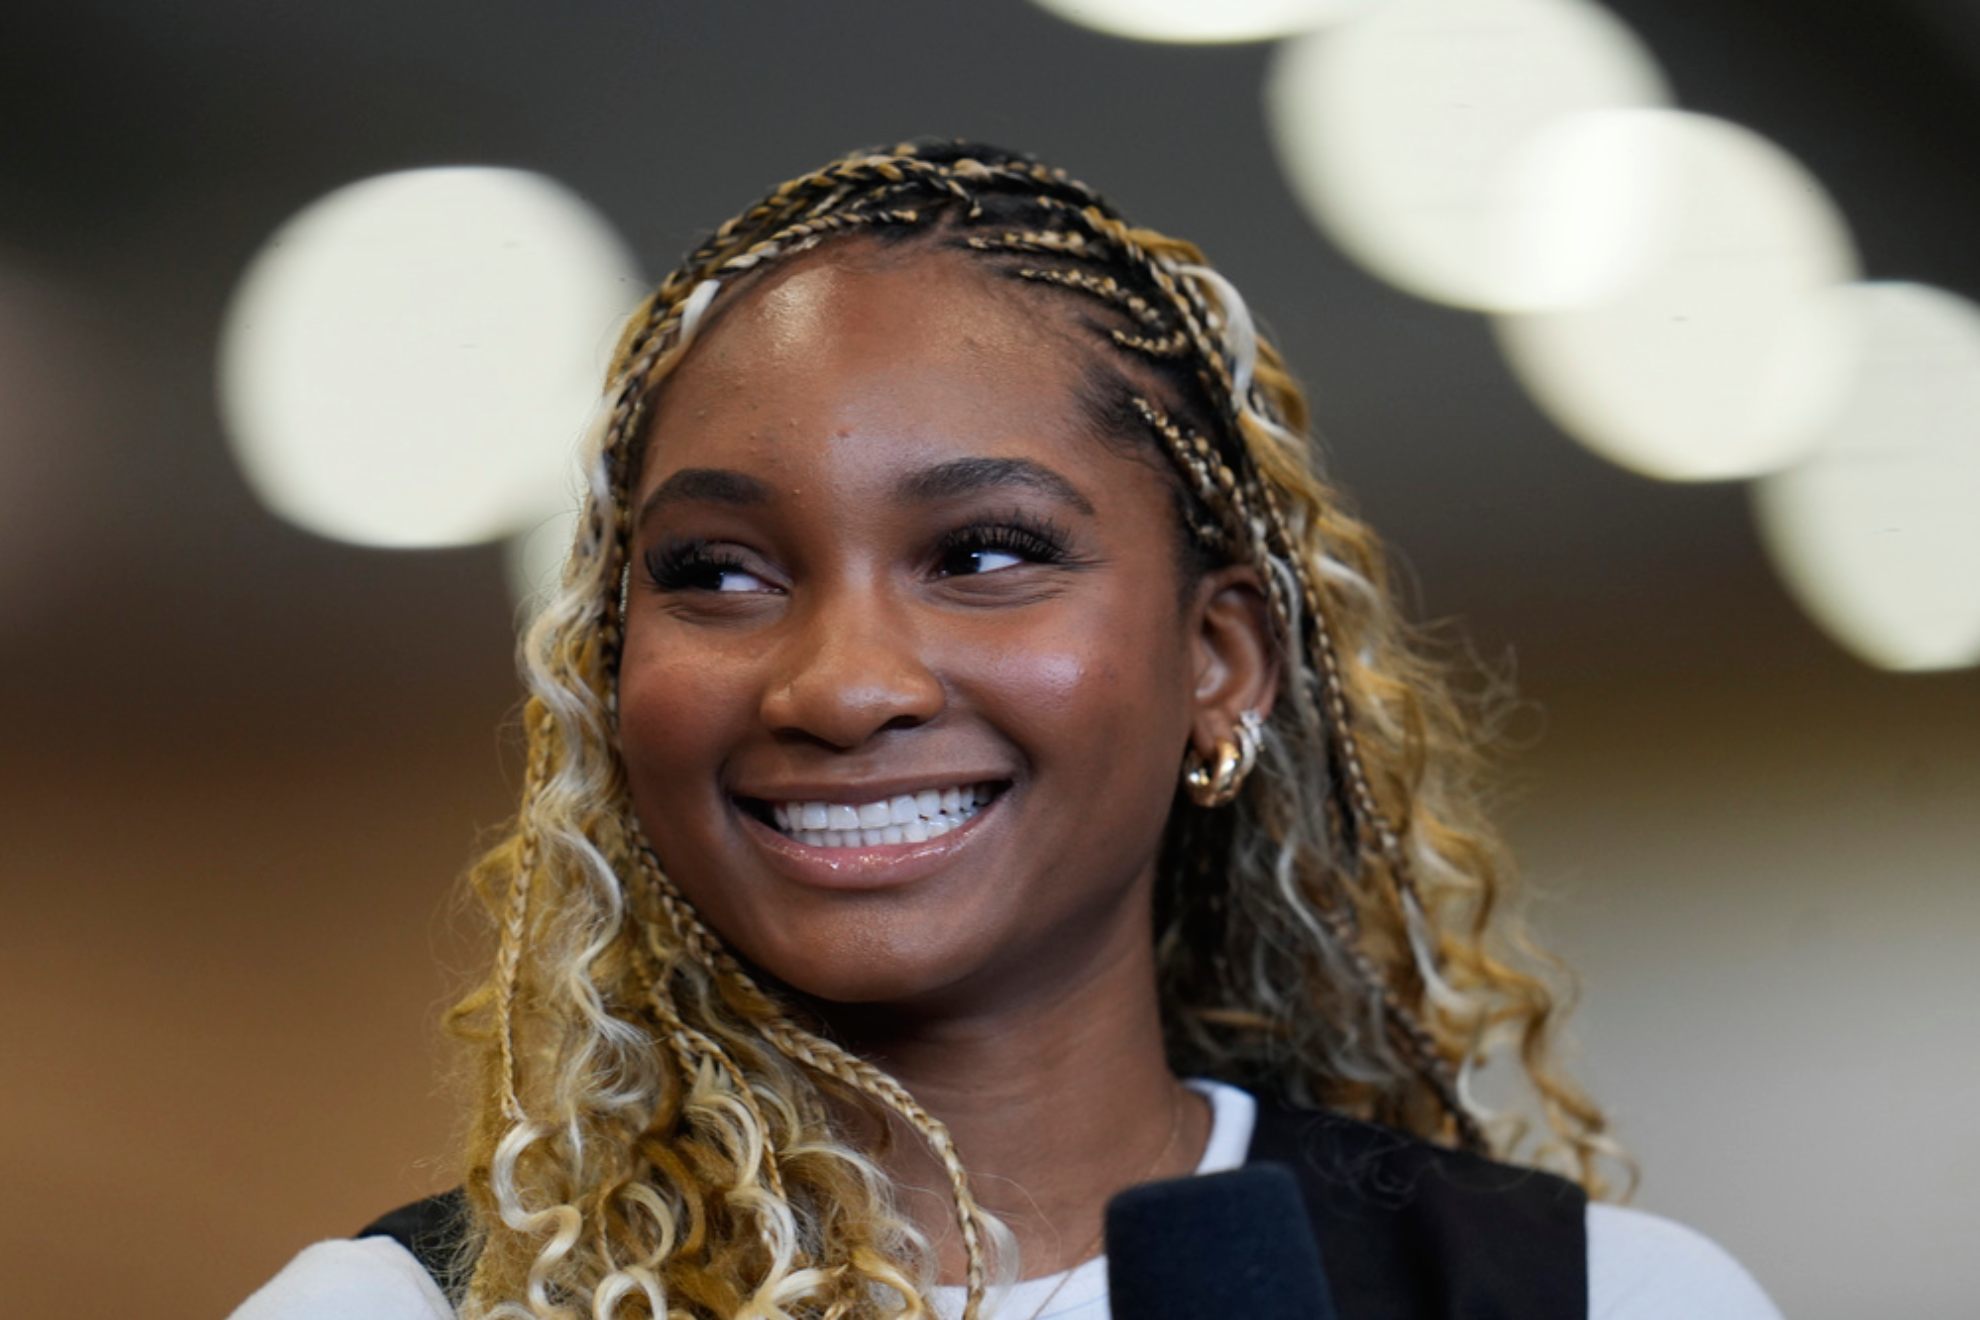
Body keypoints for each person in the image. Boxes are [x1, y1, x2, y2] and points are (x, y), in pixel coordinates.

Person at [231, 140, 1781, 1319]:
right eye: (716, 572)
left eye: (984, 553)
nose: (838, 685)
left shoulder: (1600, 1299)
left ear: (1219, 661)